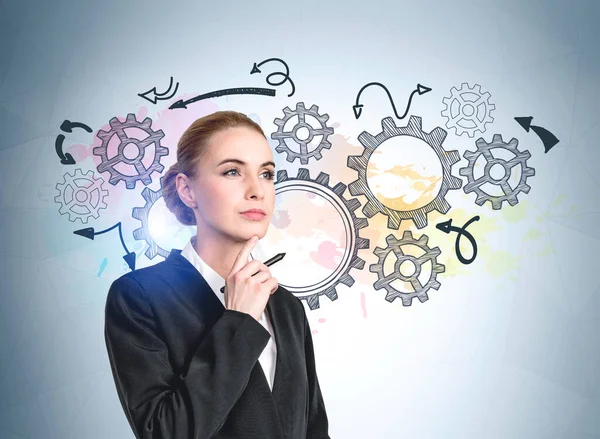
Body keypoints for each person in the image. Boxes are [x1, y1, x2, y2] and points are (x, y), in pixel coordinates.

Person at [104, 110, 331, 439]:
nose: (257, 190)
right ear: (187, 190)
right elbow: (164, 433)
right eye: (232, 171)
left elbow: (314, 430)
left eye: (266, 174)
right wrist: (238, 322)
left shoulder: (286, 306)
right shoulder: (139, 297)